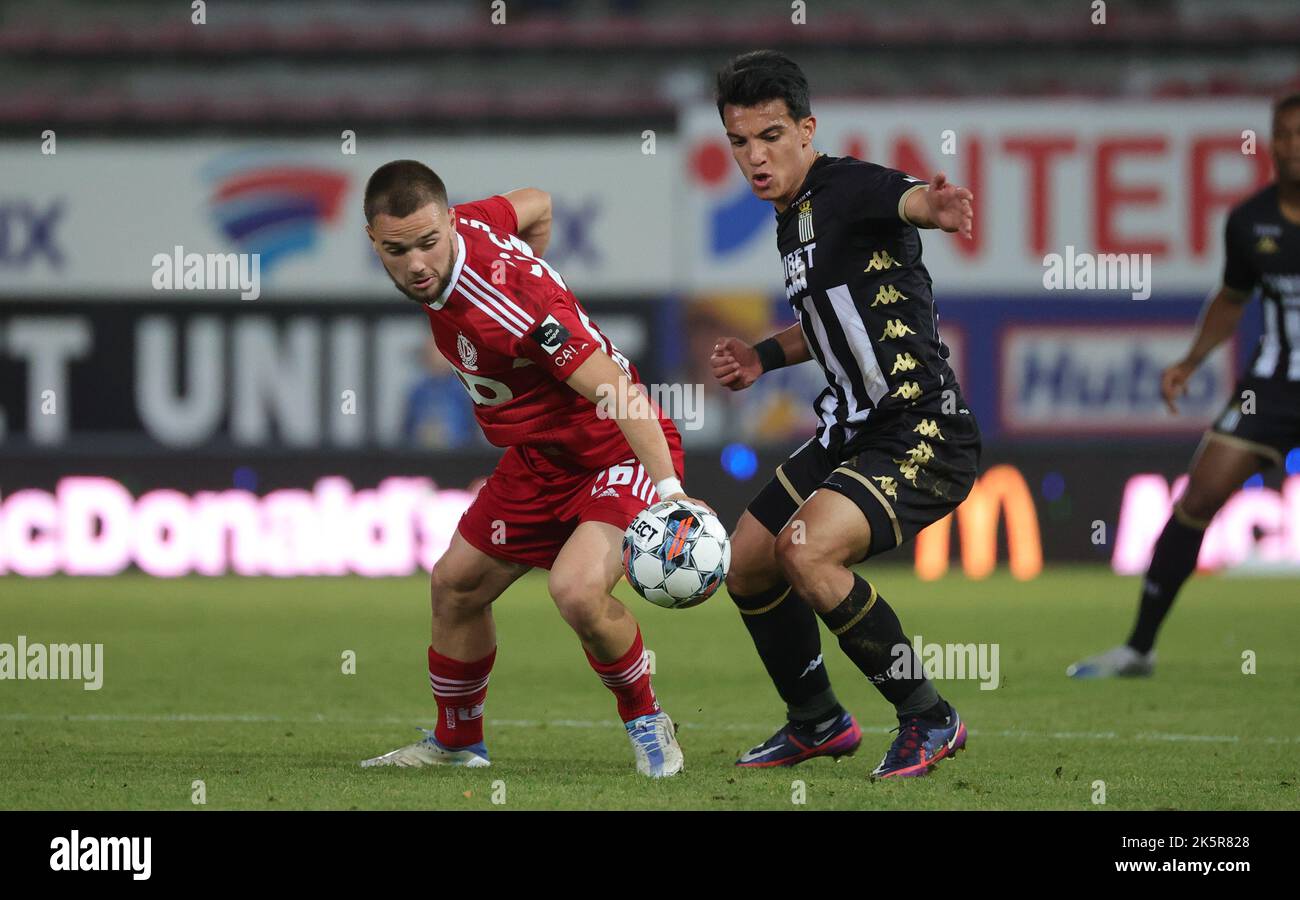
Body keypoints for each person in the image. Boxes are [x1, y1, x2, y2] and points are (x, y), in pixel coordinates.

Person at [358, 161, 701, 776]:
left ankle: (650, 724)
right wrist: (540, 264)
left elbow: (620, 394)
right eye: (397, 248)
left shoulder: (512, 306)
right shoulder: (470, 222)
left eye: (429, 244)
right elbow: (539, 203)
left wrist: (673, 495)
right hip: (541, 458)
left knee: (575, 591)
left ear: (447, 223)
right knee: (455, 585)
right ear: (373, 240)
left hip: (614, 453)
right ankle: (458, 743)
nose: (416, 264)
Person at [709, 51, 981, 777]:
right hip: (848, 429)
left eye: (770, 136)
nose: (754, 157)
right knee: (748, 563)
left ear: (807, 129)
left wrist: (936, 206)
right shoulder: (790, 217)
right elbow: (832, 319)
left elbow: (908, 199)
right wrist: (763, 357)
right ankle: (817, 721)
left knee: (806, 550)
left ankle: (930, 716)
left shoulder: (848, 186)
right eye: (739, 142)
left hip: (920, 427)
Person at [1069, 94, 1300, 679]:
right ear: (1272, 144)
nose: (1297, 146)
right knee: (1199, 497)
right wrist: (1192, 361)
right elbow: (1231, 300)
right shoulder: (1250, 222)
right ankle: (1139, 648)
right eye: (1288, 135)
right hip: (1272, 387)